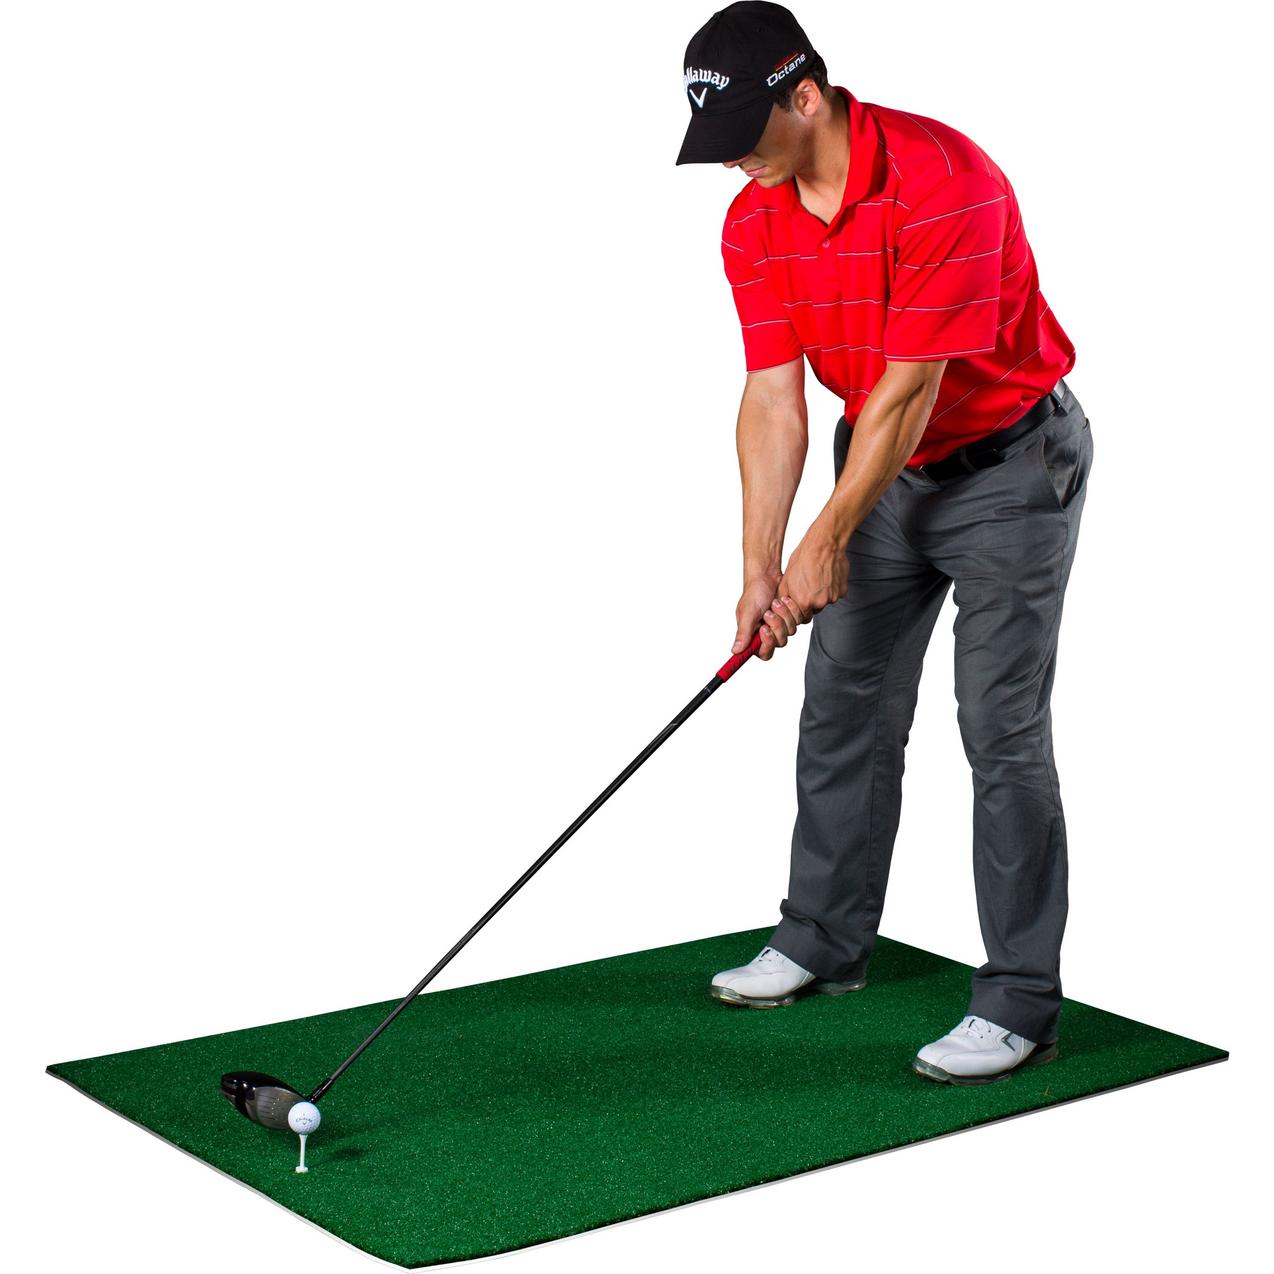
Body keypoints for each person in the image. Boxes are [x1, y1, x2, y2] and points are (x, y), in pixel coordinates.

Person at [676, 2, 1093, 1085]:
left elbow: (912, 390)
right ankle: (823, 937)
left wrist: (825, 540)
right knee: (842, 702)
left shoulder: (946, 182)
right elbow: (773, 399)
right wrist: (760, 564)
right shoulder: (753, 219)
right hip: (886, 465)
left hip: (1008, 469)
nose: (730, 163)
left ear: (805, 97)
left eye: (743, 135)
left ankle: (1018, 1001)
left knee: (998, 727)